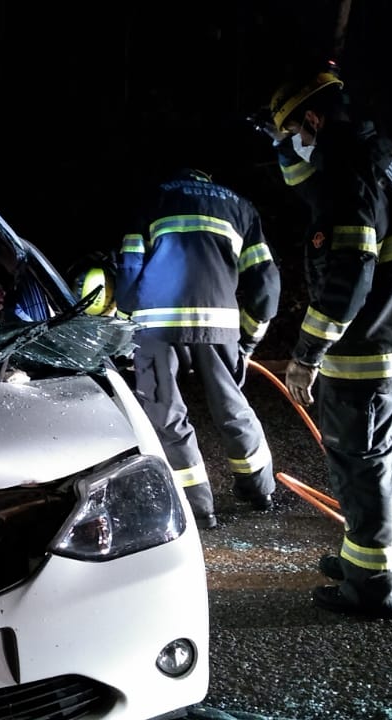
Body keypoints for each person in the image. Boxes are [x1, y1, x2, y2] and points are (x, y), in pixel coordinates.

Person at [266, 68, 392, 619]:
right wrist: (280, 148)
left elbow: (345, 279)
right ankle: (365, 560)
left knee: (363, 467)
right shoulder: (378, 152)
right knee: (376, 461)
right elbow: (308, 186)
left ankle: (372, 589)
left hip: (368, 356)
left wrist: (305, 357)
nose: (297, 144)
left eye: (295, 132)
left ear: (313, 117)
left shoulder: (349, 175)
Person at [115, 167, 281, 529]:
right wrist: (249, 338)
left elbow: (130, 263)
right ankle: (259, 490)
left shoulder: (152, 198)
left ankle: (197, 507)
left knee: (166, 414)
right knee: (233, 408)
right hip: (219, 324)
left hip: (156, 324)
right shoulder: (240, 206)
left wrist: (125, 315)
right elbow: (265, 282)